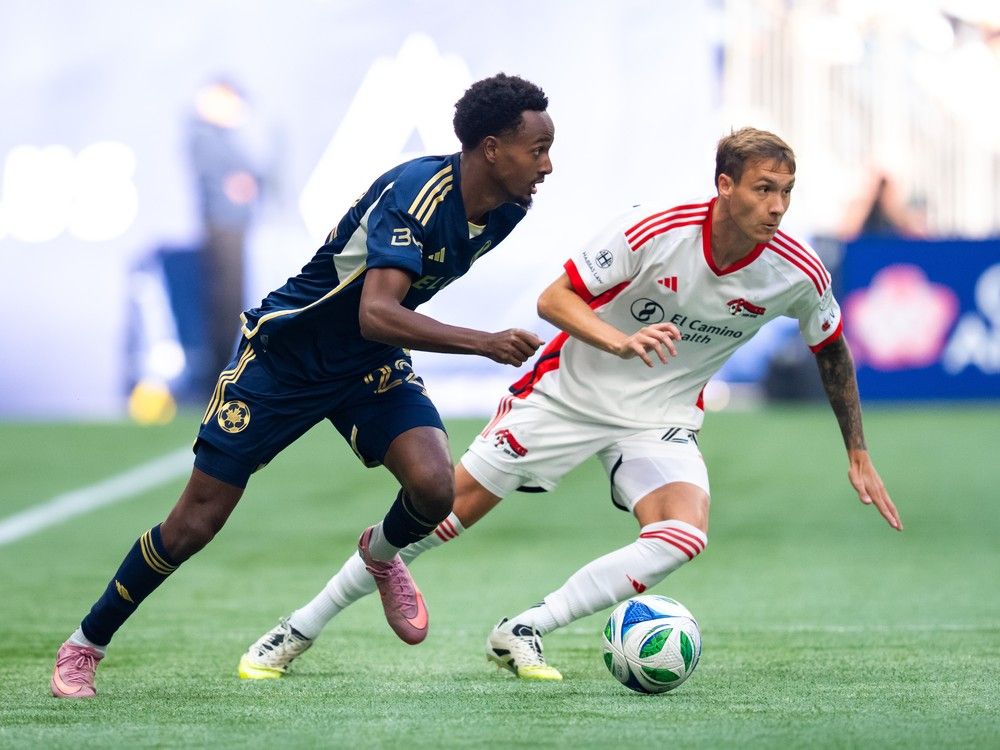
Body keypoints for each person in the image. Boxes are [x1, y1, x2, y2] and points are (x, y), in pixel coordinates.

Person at [237, 127, 902, 682]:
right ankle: (297, 627)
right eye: (763, 189)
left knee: (683, 532)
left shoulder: (796, 270)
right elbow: (555, 299)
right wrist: (621, 340)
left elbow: (832, 348)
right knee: (435, 517)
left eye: (786, 191)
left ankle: (525, 627)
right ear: (724, 186)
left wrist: (859, 453)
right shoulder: (657, 229)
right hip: (565, 398)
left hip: (658, 420)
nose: (778, 206)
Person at [49, 73, 555, 698]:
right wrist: (483, 342)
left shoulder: (509, 209)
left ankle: (380, 552)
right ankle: (85, 645)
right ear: (489, 148)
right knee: (194, 524)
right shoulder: (415, 194)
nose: (547, 165)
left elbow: (377, 325)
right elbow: (376, 310)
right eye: (537, 150)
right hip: (286, 359)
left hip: (366, 363)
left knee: (433, 489)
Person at [187, 77, 266, 388]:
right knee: (226, 301)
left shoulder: (226, 135)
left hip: (233, 224)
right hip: (223, 225)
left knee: (234, 301)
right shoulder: (204, 134)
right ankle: (218, 375)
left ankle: (224, 371)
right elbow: (230, 182)